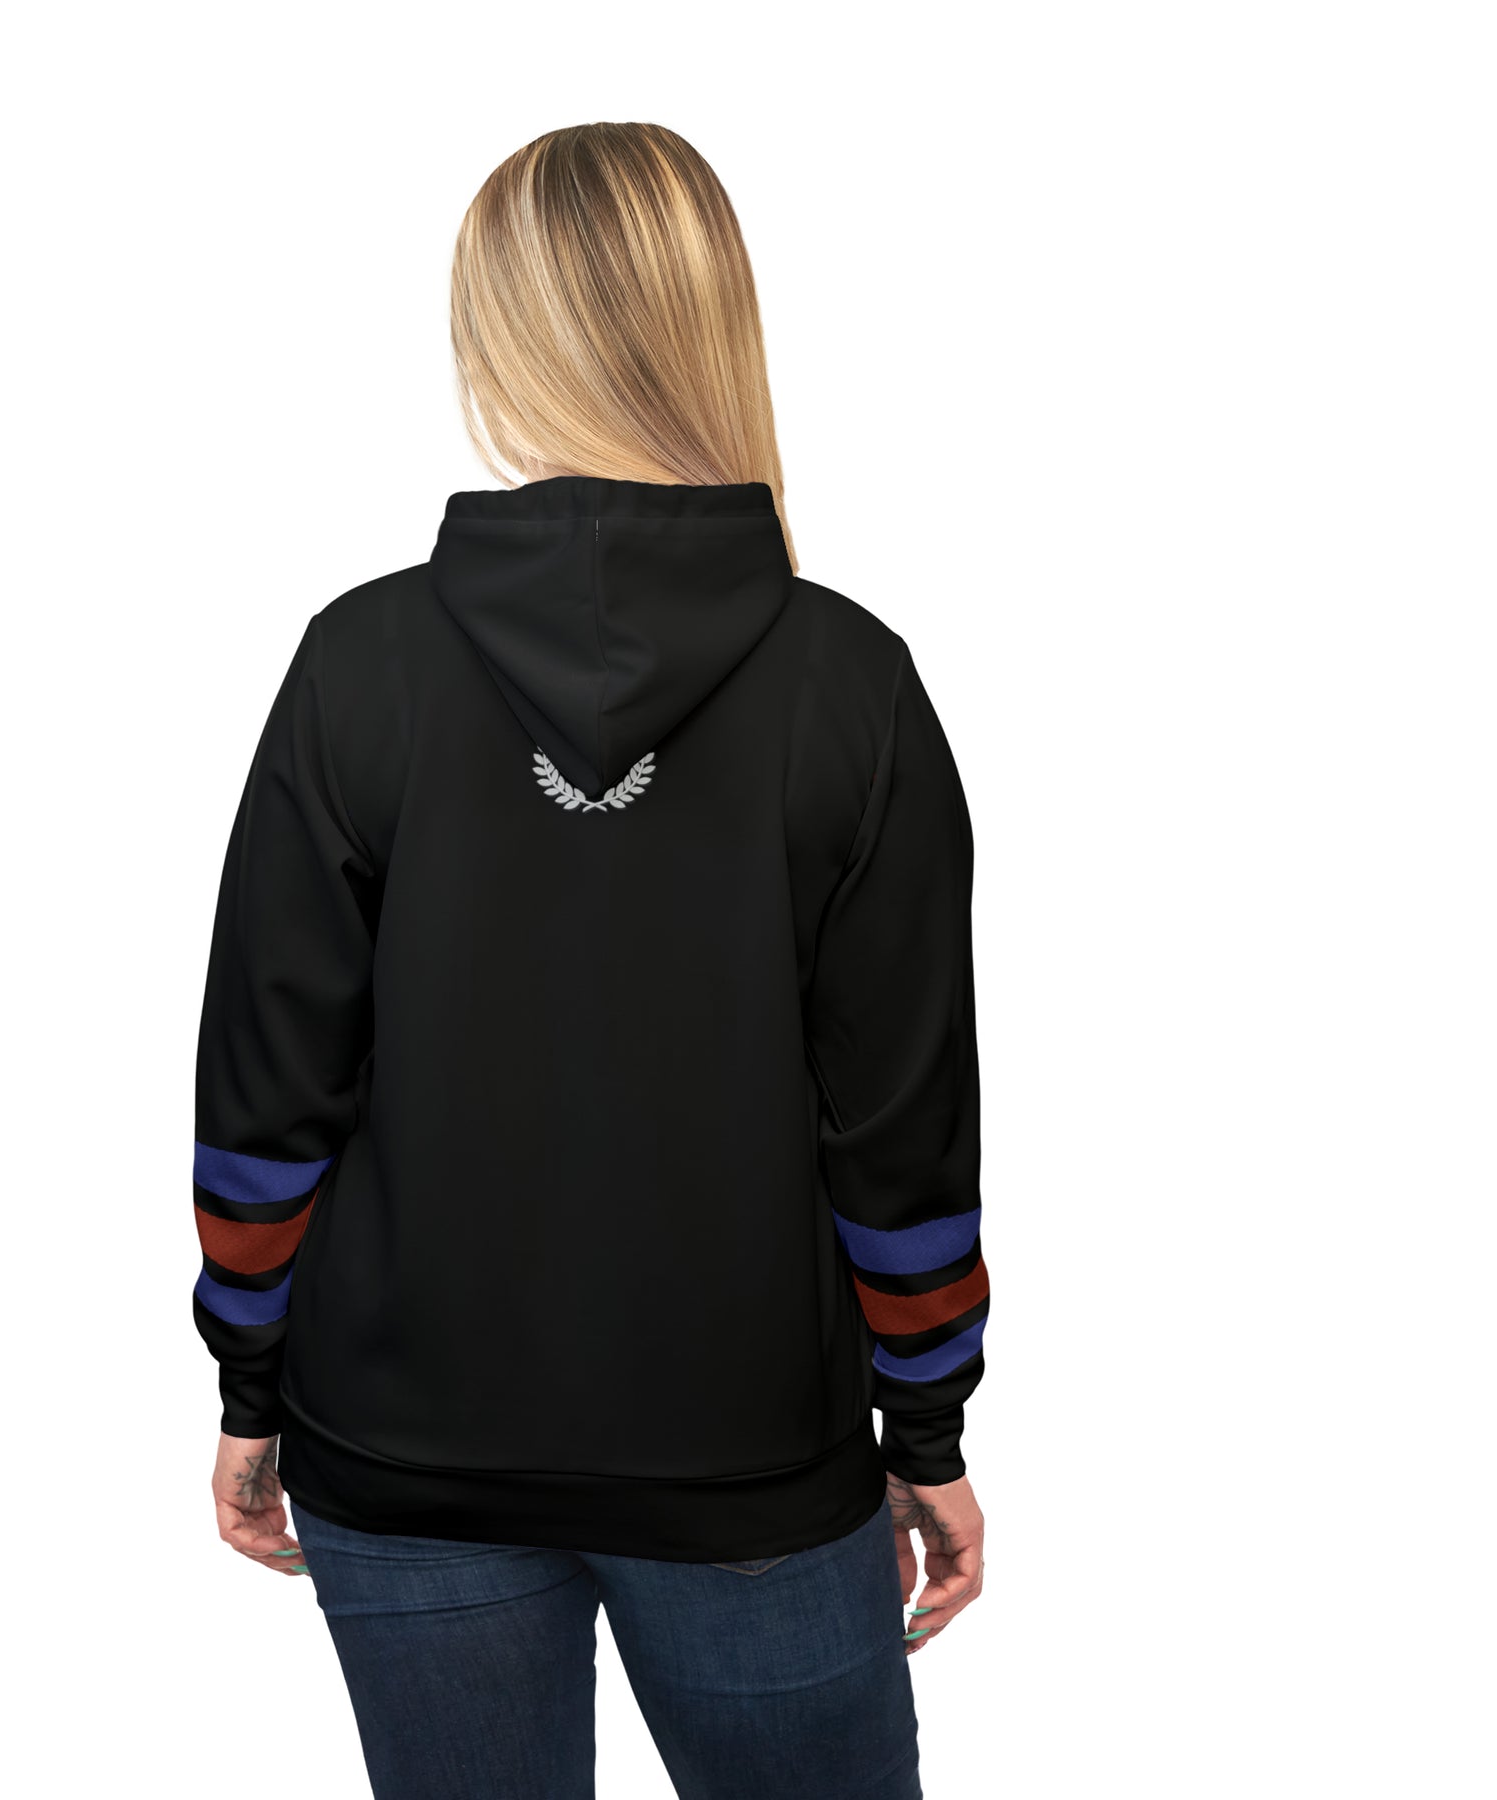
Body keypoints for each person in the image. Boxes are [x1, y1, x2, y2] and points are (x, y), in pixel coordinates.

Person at [189, 121, 988, 1800]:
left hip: (399, 1446)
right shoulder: (849, 686)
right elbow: (902, 1128)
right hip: (749, 1462)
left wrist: (250, 1382)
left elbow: (267, 1090)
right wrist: (925, 1425)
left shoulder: (360, 666)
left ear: (495, 331)